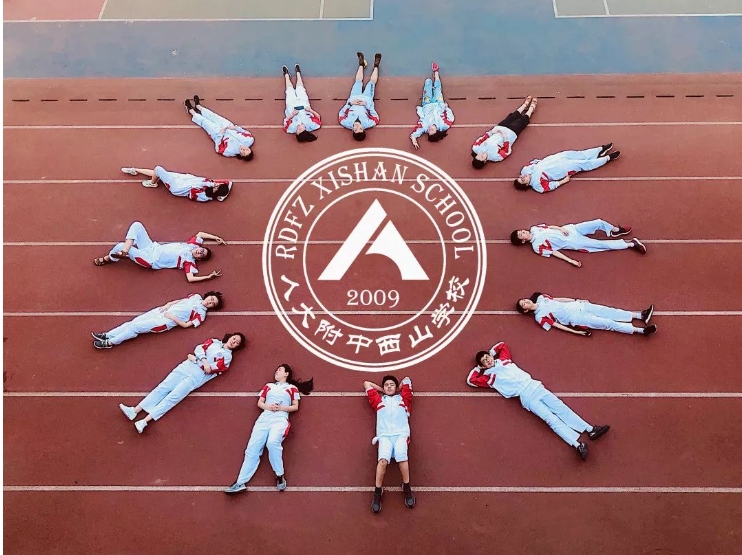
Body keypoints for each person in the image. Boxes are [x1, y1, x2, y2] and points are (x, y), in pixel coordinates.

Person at [469, 341, 610, 460]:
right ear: (483, 366)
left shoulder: (504, 360)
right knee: (551, 420)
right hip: (526, 396)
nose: (488, 360)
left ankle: (590, 429)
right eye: (484, 361)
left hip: (536, 386)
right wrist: (478, 368)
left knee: (562, 408)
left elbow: (502, 345)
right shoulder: (488, 377)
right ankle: (577, 445)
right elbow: (471, 380)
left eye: (487, 357)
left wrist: (491, 352)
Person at [118, 332, 246, 433]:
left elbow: (210, 369)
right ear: (230, 336)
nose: (234, 341)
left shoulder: (227, 357)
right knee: (163, 387)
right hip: (185, 367)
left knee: (172, 398)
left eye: (237, 343)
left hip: (195, 377)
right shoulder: (214, 341)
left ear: (237, 347)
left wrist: (197, 360)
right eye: (234, 338)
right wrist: (202, 359)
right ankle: (135, 410)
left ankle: (145, 421)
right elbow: (199, 348)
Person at [224, 364, 315, 495]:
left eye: (280, 370)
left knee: (272, 443)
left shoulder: (292, 388)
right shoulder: (268, 386)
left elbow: (295, 406)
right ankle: (240, 482)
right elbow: (260, 402)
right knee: (252, 449)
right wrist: (269, 407)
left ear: (286, 374)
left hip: (280, 419)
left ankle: (280, 475)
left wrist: (281, 408)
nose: (276, 372)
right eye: (276, 370)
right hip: (264, 418)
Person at [92, 221, 226, 283]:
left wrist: (208, 277)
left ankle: (109, 258)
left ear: (199, 259)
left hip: (150, 260)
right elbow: (201, 234)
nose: (199, 252)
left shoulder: (189, 262)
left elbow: (190, 278)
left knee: (120, 245)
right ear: (199, 247)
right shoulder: (191, 244)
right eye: (201, 250)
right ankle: (125, 251)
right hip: (151, 246)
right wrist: (215, 238)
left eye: (201, 255)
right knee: (137, 225)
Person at [91, 291, 223, 349]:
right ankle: (107, 335)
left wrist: (172, 317)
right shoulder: (196, 296)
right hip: (160, 311)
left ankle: (110, 342)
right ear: (209, 295)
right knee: (132, 322)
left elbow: (186, 325)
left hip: (165, 322)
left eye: (213, 304)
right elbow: (182, 300)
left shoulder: (201, 314)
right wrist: (168, 304)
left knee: (135, 328)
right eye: (211, 299)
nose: (210, 302)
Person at [364, 375, 415, 513]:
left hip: (401, 435)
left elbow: (406, 379)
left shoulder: (404, 399)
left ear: (396, 387)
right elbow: (367, 383)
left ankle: (406, 487)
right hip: (384, 436)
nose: (389, 386)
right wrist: (382, 390)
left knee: (402, 459)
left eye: (392, 384)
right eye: (386, 385)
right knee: (382, 462)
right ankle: (378, 492)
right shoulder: (379, 400)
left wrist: (397, 389)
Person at [510, 220, 647, 267]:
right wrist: (571, 261)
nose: (523, 232)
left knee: (598, 222)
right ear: (523, 241)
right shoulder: (536, 247)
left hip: (571, 229)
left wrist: (560, 228)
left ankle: (615, 230)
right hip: (574, 242)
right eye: (521, 235)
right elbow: (554, 252)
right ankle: (630, 244)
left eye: (521, 231)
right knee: (600, 245)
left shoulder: (534, 228)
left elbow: (549, 227)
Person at [516, 292, 657, 336]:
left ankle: (640, 315)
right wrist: (576, 332)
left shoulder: (541, 298)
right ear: (526, 310)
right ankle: (640, 331)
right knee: (608, 323)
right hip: (577, 318)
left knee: (609, 311)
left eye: (524, 300)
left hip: (579, 306)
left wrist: (576, 300)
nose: (526, 301)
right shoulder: (539, 317)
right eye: (523, 304)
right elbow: (557, 325)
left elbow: (558, 299)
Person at [515, 144, 620, 193]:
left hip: (557, 158)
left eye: (521, 177)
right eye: (523, 180)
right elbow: (550, 186)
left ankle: (599, 150)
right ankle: (607, 158)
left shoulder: (525, 170)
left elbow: (533, 161)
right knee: (584, 164)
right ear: (527, 184)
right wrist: (563, 181)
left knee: (579, 154)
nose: (523, 177)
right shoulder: (537, 185)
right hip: (562, 169)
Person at [471, 96, 538, 168]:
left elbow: (482, 138)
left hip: (499, 128)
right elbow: (507, 151)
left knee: (512, 116)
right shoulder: (495, 157)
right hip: (511, 133)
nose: (481, 154)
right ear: (485, 161)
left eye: (479, 155)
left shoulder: (476, 148)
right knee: (522, 120)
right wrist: (505, 138)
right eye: (482, 157)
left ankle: (525, 105)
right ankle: (531, 109)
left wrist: (491, 132)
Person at [185, 96, 254, 161]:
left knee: (205, 122)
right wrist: (235, 127)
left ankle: (191, 111)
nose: (244, 149)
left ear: (241, 155)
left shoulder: (229, 151)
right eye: (247, 150)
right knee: (213, 116)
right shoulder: (249, 140)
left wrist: (220, 134)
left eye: (243, 152)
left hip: (217, 133)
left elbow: (218, 149)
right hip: (228, 126)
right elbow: (245, 132)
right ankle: (198, 106)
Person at [119, 166, 233, 202]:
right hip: (181, 178)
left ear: (216, 192)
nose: (216, 184)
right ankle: (136, 170)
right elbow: (229, 182)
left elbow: (193, 193)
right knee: (157, 173)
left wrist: (208, 186)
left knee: (158, 169)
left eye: (217, 187)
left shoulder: (204, 196)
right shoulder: (210, 184)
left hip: (177, 186)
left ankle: (152, 183)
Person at [409, 62, 454, 150]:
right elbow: (451, 118)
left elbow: (417, 131)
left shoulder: (425, 126)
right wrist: (446, 108)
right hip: (438, 103)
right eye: (432, 130)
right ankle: (436, 72)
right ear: (437, 131)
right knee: (438, 88)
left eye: (429, 131)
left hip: (427, 104)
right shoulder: (444, 125)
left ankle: (430, 80)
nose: (430, 128)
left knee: (428, 82)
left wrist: (414, 139)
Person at [338, 52, 382, 141]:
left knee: (358, 81)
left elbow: (341, 113)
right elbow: (376, 118)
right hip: (367, 98)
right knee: (371, 82)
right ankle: (376, 66)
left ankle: (361, 64)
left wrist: (350, 104)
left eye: (355, 129)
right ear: (364, 129)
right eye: (360, 128)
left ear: (352, 131)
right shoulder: (369, 123)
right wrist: (366, 105)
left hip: (354, 97)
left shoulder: (345, 122)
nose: (358, 126)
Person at [282, 64, 321, 142]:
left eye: (297, 131)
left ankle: (286, 75)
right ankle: (298, 73)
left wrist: (292, 114)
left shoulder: (290, 129)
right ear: (305, 130)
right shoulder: (313, 125)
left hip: (291, 106)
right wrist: (310, 110)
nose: (297, 129)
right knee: (300, 88)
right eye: (300, 129)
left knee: (289, 90)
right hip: (304, 105)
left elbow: (285, 121)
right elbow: (318, 117)